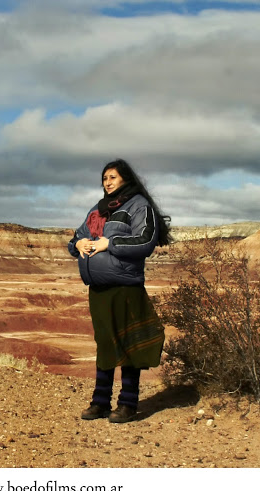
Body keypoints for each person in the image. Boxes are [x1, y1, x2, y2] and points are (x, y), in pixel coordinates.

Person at [68, 158, 171, 423]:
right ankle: (100, 402)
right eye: (104, 178)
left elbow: (145, 240)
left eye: (112, 177)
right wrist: (78, 244)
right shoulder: (98, 209)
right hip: (99, 289)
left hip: (126, 287)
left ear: (125, 178)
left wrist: (109, 244)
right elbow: (74, 239)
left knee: (129, 344)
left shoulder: (139, 205)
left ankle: (127, 403)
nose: (108, 182)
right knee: (104, 344)